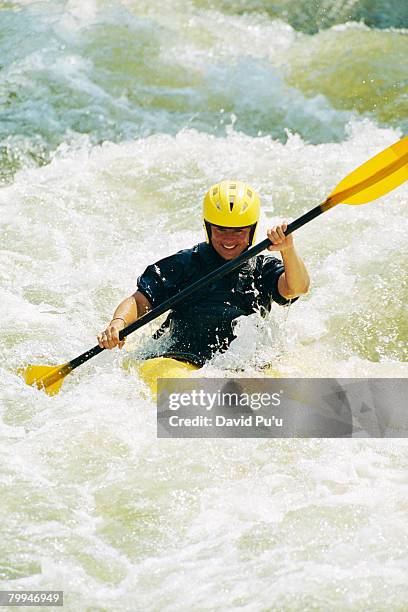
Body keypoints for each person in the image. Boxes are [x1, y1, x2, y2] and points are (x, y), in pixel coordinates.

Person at [97, 180, 310, 366]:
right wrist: (118, 323)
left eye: (238, 231)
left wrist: (287, 249)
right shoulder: (185, 264)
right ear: (207, 227)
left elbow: (297, 288)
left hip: (242, 364)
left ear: (252, 230)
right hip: (180, 359)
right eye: (221, 229)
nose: (229, 239)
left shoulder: (262, 269)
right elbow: (138, 302)